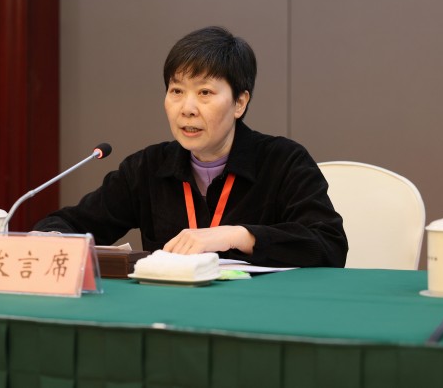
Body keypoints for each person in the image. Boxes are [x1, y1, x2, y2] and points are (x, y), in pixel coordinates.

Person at [34, 26, 347, 268]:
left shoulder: (283, 161)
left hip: (255, 316)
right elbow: (71, 223)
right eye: (177, 91)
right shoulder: (148, 167)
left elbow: (329, 245)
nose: (187, 108)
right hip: (169, 317)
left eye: (205, 92)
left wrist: (238, 235)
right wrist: (50, 238)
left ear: (239, 102)